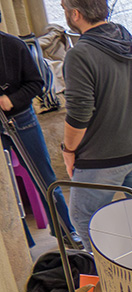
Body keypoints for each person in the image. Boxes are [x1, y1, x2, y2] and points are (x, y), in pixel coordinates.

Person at [59, 0, 132, 245]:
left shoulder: (79, 55)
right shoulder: (127, 38)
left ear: (75, 14)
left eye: (64, 8)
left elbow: (79, 113)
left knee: (83, 218)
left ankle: (108, 271)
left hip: (104, 157)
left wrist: (68, 150)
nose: (65, 14)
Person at [0, 19, 79, 247]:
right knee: (5, 190)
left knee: (44, 178)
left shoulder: (14, 46)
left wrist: (12, 100)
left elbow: (36, 83)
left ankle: (66, 232)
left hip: (21, 120)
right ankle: (21, 243)